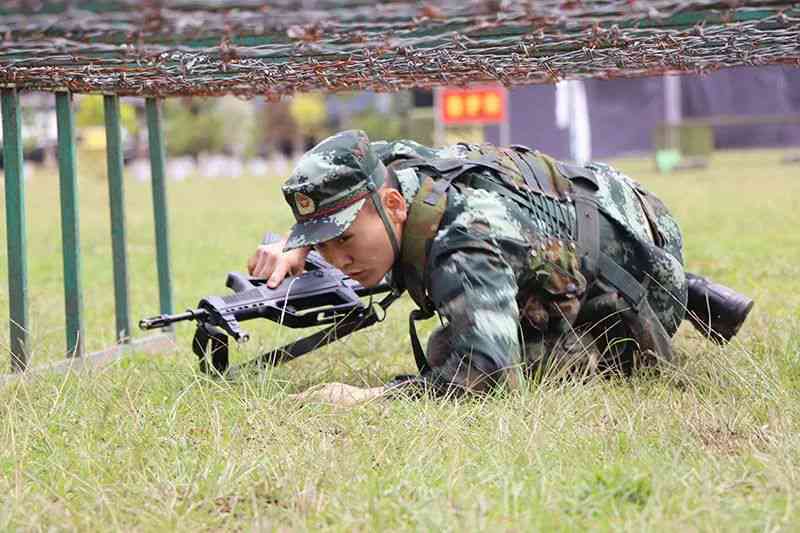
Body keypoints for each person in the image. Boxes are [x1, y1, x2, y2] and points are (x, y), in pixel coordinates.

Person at [248, 130, 753, 405]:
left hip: (640, 255)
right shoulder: (399, 173)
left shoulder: (466, 244)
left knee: (456, 349)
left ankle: (648, 311)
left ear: (393, 205)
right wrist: (298, 246)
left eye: (344, 239)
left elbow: (487, 375)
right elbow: (366, 152)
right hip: (604, 203)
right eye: (324, 245)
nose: (337, 259)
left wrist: (367, 397)